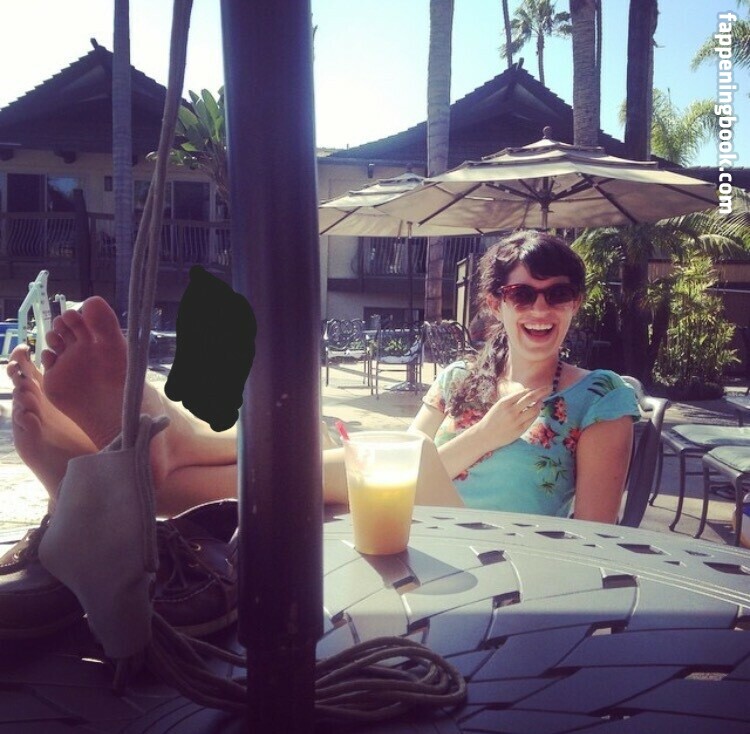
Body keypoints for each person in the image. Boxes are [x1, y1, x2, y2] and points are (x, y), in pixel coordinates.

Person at [408, 230, 640, 522]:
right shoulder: (456, 379)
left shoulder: (600, 397)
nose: (540, 309)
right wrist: (483, 436)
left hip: (516, 551)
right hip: (422, 540)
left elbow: (593, 530)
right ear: (496, 305)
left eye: (558, 294)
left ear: (575, 302)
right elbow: (394, 473)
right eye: (521, 295)